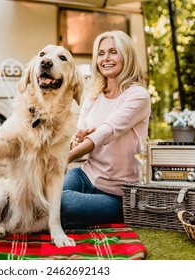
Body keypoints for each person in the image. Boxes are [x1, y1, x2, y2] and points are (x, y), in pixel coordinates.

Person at [60, 30, 151, 228]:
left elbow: (106, 132)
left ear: (126, 56)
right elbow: (81, 138)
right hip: (85, 176)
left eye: (113, 52)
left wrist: (64, 158)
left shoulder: (138, 96)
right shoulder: (93, 95)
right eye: (101, 54)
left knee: (60, 203)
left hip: (116, 193)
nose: (105, 59)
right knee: (47, 197)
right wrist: (77, 140)